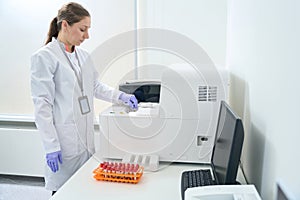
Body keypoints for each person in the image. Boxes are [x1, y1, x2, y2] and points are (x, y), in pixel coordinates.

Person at [30, 2, 138, 195]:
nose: (86, 36)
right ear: (64, 25)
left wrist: (120, 96)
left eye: (88, 30)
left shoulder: (84, 56)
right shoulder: (45, 57)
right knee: (64, 192)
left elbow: (95, 86)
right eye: (82, 29)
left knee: (85, 190)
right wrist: (51, 146)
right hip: (64, 142)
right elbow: (42, 105)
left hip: (86, 139)